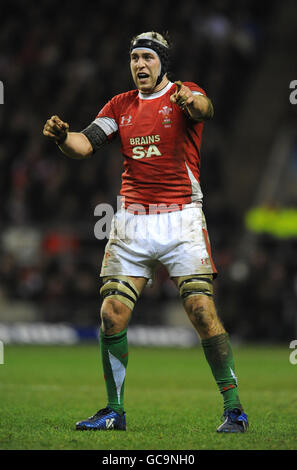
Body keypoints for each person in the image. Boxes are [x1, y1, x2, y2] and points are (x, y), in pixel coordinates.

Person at [43, 31, 248, 433]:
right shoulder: (120, 105)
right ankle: (113, 412)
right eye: (134, 57)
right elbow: (86, 144)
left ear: (162, 63)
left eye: (147, 58)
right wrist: (63, 137)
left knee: (202, 311)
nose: (139, 64)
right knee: (111, 314)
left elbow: (205, 109)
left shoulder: (183, 95)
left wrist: (193, 101)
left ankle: (235, 408)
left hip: (181, 216)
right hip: (133, 220)